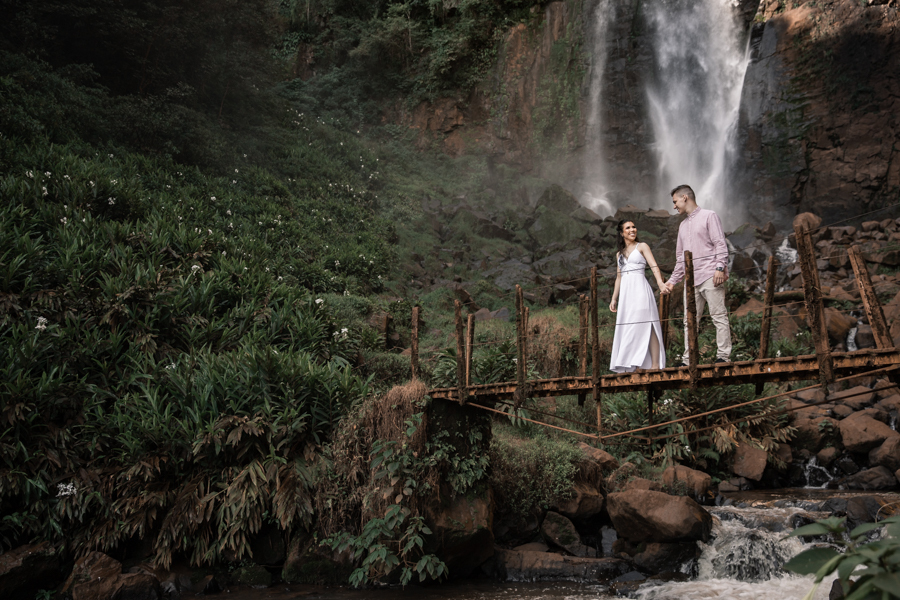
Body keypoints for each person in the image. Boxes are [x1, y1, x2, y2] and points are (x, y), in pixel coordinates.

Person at [663, 184, 732, 365]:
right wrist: (671, 282)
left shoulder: (710, 216)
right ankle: (688, 360)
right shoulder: (683, 226)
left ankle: (723, 357)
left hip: (710, 275)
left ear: (685, 197)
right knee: (689, 321)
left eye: (675, 201)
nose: (674, 206)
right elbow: (680, 258)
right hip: (690, 280)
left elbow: (720, 244)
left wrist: (719, 267)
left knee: (719, 316)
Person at [609, 219, 669, 373]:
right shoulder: (619, 255)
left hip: (641, 289)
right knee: (630, 325)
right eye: (628, 228)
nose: (632, 230)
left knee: (648, 323)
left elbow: (653, 265)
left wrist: (660, 283)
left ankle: (655, 364)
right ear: (622, 233)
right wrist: (614, 298)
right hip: (626, 294)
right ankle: (636, 364)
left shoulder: (642, 246)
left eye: (634, 227)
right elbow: (619, 277)